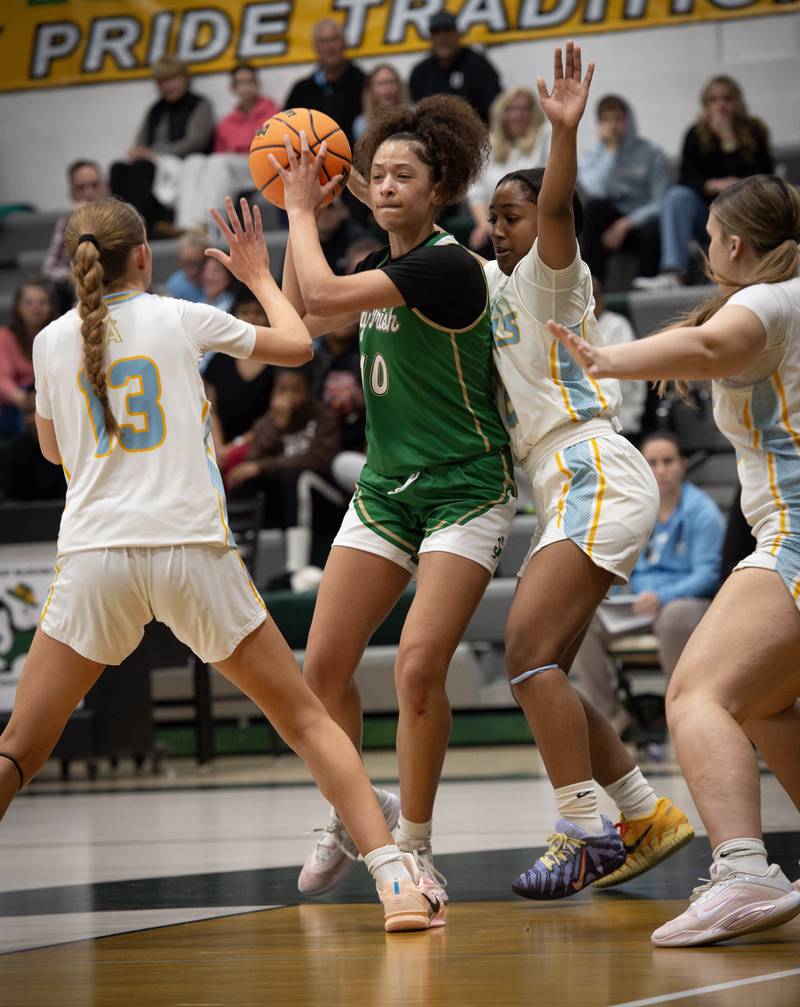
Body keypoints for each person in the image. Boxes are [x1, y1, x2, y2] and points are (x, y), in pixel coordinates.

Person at [0, 195, 439, 934]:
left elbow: (49, 452)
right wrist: (263, 277)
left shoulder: (46, 341)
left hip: (95, 558)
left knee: (18, 747)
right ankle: (396, 882)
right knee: (304, 717)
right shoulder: (177, 316)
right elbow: (299, 346)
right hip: (189, 549)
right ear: (145, 254)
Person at [260, 94, 516, 916]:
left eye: (406, 173)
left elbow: (326, 298)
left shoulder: (444, 264)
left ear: (439, 187)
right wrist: (293, 238)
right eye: (377, 174)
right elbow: (308, 314)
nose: (389, 183)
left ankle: (416, 847)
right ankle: (353, 809)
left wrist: (300, 209)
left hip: (465, 488)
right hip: (387, 490)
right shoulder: (375, 257)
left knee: (415, 666)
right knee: (322, 667)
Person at [550, 172, 800, 945]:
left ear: (733, 244)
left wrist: (606, 358)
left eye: (711, 239)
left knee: (695, 693)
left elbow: (706, 343)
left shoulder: (771, 297)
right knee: (764, 705)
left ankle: (743, 868)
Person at [485, 43, 693, 899]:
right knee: (547, 669)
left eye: (512, 214)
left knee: (525, 653)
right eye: (491, 217)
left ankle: (583, 825)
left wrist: (562, 133)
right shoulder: (492, 289)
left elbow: (559, 204)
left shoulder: (548, 279)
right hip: (565, 478)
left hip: (593, 463)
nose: (499, 228)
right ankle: (645, 814)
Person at [572, 431, 725, 736]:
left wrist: (663, 596)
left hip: (686, 603)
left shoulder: (703, 511)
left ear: (682, 465)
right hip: (639, 604)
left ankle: (680, 715)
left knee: (674, 618)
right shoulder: (635, 509)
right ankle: (611, 717)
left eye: (668, 461)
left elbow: (708, 575)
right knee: (579, 621)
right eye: (652, 463)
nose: (661, 470)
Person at [635, 76, 773, 290]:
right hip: (705, 215)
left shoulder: (755, 131)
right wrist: (712, 185)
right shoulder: (696, 134)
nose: (721, 105)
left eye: (727, 98)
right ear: (706, 105)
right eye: (713, 100)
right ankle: (673, 273)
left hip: (744, 216)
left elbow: (765, 179)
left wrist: (729, 140)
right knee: (676, 196)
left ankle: (731, 275)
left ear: (737, 101)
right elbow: (686, 178)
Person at [227, 365, 345, 587]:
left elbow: (320, 461)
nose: (288, 397)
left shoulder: (323, 417)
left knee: (296, 476)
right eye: (282, 390)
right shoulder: (269, 421)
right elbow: (250, 461)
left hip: (325, 500)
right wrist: (277, 426)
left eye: (295, 390)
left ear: (308, 391)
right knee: (246, 480)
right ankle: (238, 559)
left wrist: (265, 467)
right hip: (285, 503)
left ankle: (295, 567)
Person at [109, 57, 214, 236]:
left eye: (173, 79)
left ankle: (144, 227)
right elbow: (141, 141)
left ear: (185, 79)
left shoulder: (199, 104)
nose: (168, 86)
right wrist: (139, 152)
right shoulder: (155, 109)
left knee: (142, 167)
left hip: (182, 163)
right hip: (153, 161)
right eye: (163, 82)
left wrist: (152, 154)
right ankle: (122, 228)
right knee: (118, 168)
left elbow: (196, 141)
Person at [578, 95, 671, 285]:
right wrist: (611, 153)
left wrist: (626, 224)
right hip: (609, 223)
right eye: (606, 120)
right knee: (594, 208)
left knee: (655, 227)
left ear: (628, 120)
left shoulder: (652, 152)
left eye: (618, 119)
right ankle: (594, 283)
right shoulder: (592, 156)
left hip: (641, 222)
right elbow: (596, 191)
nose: (613, 126)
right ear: (599, 124)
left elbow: (660, 202)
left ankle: (645, 285)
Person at [176, 65, 279, 234]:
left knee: (219, 162)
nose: (245, 87)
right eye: (240, 83)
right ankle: (185, 226)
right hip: (232, 167)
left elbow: (275, 150)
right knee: (194, 161)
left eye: (249, 82)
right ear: (233, 88)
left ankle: (210, 225)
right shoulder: (227, 121)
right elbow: (218, 152)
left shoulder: (272, 112)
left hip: (260, 166)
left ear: (257, 84)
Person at [467, 87, 551, 254]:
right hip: (495, 222)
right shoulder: (488, 143)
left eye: (524, 109)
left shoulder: (545, 134)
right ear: (501, 114)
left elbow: (550, 180)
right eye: (511, 109)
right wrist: (484, 225)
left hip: (536, 222)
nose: (517, 115)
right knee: (481, 243)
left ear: (533, 113)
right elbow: (476, 191)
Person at [204, 285, 276, 467]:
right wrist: (219, 449)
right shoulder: (219, 360)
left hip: (266, 447)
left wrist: (235, 448)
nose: (252, 318)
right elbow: (210, 408)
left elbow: (277, 415)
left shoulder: (281, 361)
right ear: (235, 316)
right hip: (221, 448)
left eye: (259, 312)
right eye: (245, 312)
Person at [409, 12, 501, 125]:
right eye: (437, 33)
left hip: (474, 135)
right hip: (432, 137)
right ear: (431, 38)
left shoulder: (479, 66)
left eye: (448, 32)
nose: (443, 38)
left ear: (457, 34)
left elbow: (495, 108)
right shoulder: (421, 72)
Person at [283, 19, 365, 145]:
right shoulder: (301, 90)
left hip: (355, 161)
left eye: (334, 39)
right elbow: (285, 130)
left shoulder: (364, 83)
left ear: (344, 43)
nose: (329, 47)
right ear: (315, 47)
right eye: (323, 41)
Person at [42, 160, 107, 314]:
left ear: (105, 186)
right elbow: (49, 268)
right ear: (72, 194)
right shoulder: (67, 222)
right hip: (80, 293)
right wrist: (71, 275)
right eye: (81, 187)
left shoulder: (124, 216)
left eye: (94, 184)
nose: (89, 192)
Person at [591, 275, 646, 437]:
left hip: (622, 420)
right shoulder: (568, 327)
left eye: (595, 295)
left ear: (602, 298)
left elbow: (623, 373)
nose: (591, 301)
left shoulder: (616, 324)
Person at [0, 281, 57, 436]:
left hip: (51, 399)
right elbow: (3, 380)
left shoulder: (58, 336)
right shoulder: (5, 336)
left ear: (51, 306)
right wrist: (26, 401)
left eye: (42, 302)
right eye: (29, 303)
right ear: (18, 307)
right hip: (16, 407)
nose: (36, 308)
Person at [0, 389, 66, 502]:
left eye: (36, 410)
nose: (31, 419)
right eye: (28, 412)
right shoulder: (13, 452)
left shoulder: (67, 446)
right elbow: (11, 501)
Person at [353, 64, 410, 141]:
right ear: (371, 90)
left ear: (399, 87)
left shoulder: (412, 118)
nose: (387, 89)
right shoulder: (361, 124)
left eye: (391, 82)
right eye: (381, 83)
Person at [165, 231, 207, 302]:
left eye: (197, 263)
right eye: (186, 263)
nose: (193, 271)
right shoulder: (176, 284)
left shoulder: (214, 280)